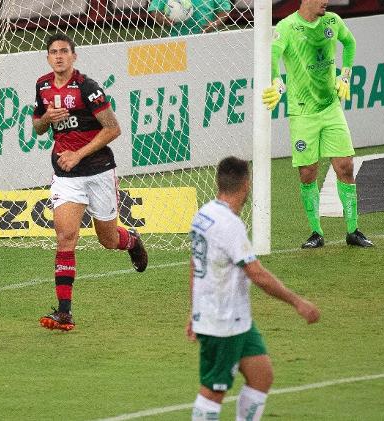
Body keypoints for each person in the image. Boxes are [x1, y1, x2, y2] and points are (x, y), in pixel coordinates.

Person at [187, 156, 320, 421]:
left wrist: (194, 310)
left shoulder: (204, 215)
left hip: (237, 320)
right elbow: (256, 274)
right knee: (214, 391)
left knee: (261, 376)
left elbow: (194, 264)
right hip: (221, 321)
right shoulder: (229, 225)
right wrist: (298, 302)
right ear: (246, 185)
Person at [32, 33, 148, 332]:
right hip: (66, 175)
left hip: (98, 171)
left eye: (64, 51)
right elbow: (37, 128)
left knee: (108, 240)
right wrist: (47, 118)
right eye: (53, 52)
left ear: (74, 56)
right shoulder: (43, 86)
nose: (58, 56)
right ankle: (65, 312)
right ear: (48, 58)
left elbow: (113, 128)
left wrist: (78, 154)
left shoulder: (88, 89)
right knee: (65, 238)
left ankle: (132, 241)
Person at [262, 0, 373, 248]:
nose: (327, 2)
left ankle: (353, 230)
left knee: (345, 166)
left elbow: (350, 42)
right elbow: (273, 54)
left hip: (331, 108)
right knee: (307, 172)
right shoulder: (287, 26)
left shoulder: (332, 21)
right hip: (302, 114)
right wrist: (278, 84)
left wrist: (344, 76)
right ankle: (316, 233)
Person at [148, 0, 231, 37]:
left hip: (207, 38)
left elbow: (225, 9)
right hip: (176, 38)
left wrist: (215, 23)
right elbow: (154, 10)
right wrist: (161, 18)